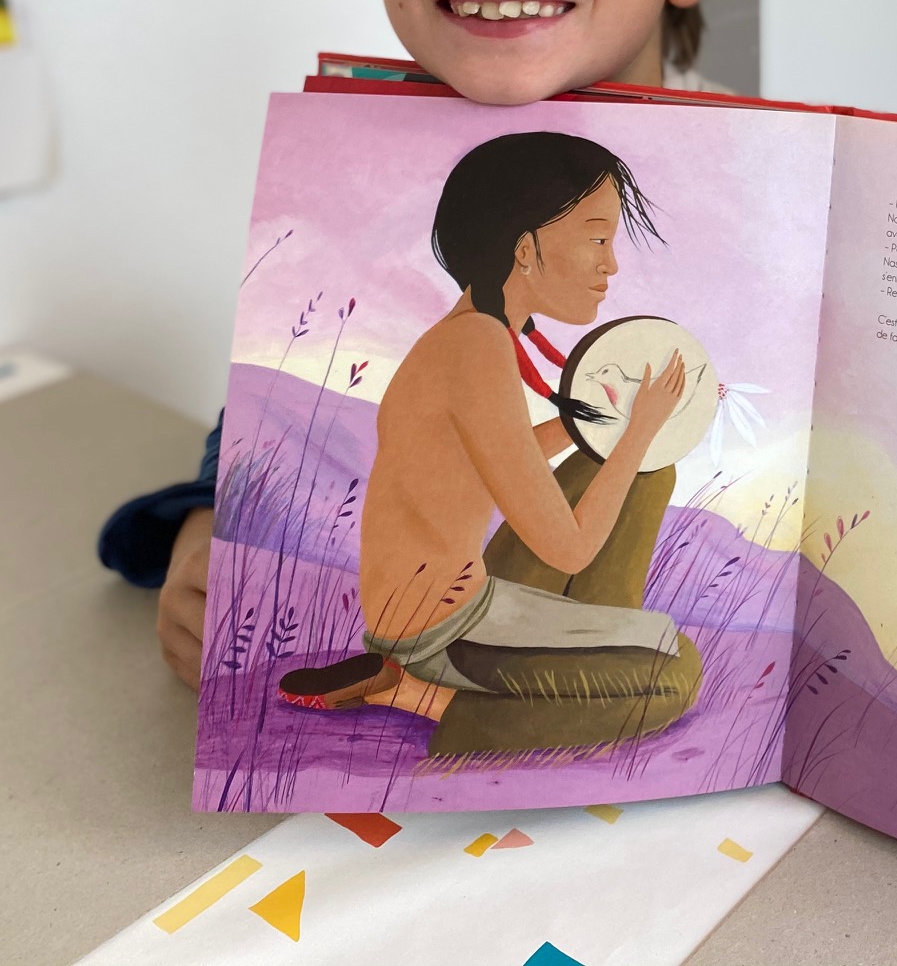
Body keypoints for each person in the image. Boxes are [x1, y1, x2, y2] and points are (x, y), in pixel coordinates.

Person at [96, 0, 733, 687]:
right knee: (666, 655)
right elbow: (291, 418)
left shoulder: (779, 197)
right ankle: (444, 697)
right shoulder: (364, 206)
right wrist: (212, 517)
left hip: (490, 602)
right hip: (446, 624)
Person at [276, 132, 703, 754]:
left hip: (457, 599)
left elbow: (486, 465)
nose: (610, 264)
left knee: (640, 472)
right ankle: (419, 696)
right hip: (442, 632)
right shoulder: (477, 348)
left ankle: (599, 639)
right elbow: (572, 550)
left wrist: (591, 428)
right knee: (674, 674)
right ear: (525, 248)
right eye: (597, 239)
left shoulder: (472, 333)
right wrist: (638, 429)